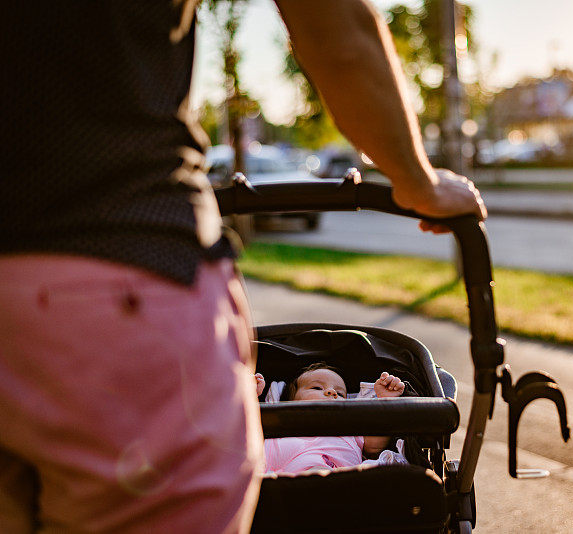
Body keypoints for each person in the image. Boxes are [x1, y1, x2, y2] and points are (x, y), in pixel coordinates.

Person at [0, 1, 485, 532]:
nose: (329, 397)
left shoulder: (350, 435)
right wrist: (416, 179)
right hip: (123, 257)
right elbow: (334, 24)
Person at [261, 364, 405, 474]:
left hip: (341, 484)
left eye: (341, 394)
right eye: (317, 388)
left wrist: (385, 402)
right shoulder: (276, 426)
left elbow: (374, 447)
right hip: (280, 486)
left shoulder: (350, 427)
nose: (332, 392)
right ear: (290, 402)